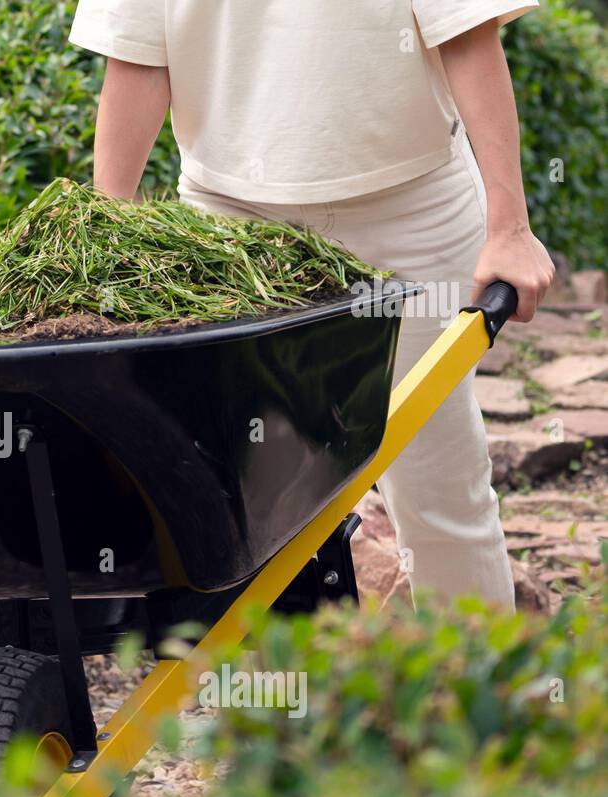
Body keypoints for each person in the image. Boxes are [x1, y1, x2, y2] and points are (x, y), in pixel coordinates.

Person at [70, 0, 557, 609]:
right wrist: (105, 237)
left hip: (411, 211)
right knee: (255, 499)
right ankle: (286, 700)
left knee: (439, 486)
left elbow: (465, 29)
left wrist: (509, 227)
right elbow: (139, 53)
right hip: (236, 220)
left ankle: (476, 693)